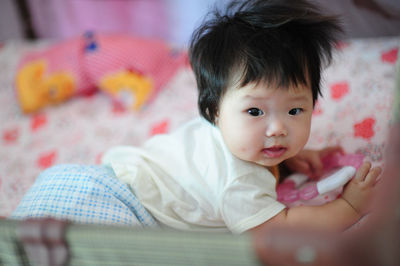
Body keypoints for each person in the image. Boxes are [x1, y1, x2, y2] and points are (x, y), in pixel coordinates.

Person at [101, 0, 382, 234]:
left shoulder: (234, 131)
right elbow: (278, 230)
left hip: (117, 176)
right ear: (215, 111)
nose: (277, 129)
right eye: (255, 112)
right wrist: (350, 207)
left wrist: (290, 159)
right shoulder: (241, 182)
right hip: (121, 203)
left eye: (295, 110)